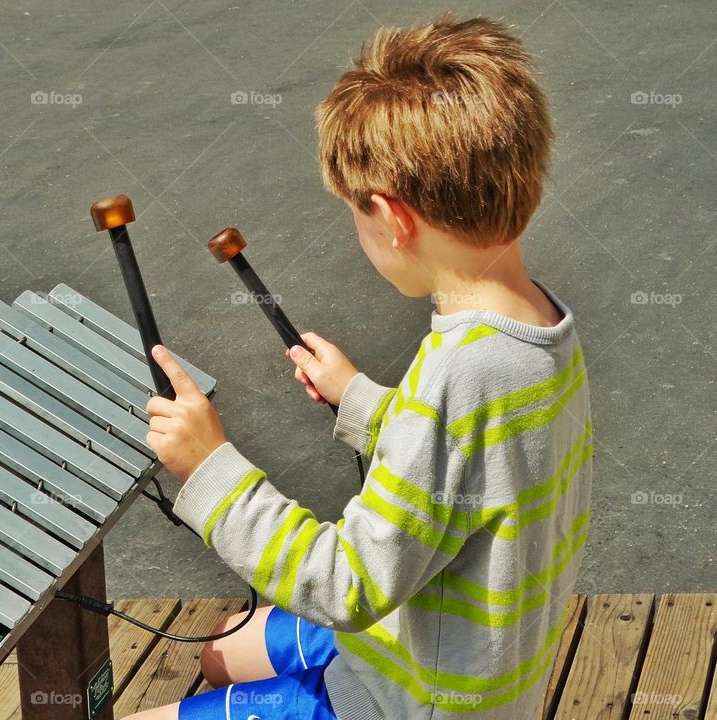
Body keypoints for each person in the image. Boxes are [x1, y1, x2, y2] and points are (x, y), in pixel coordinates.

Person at [128, 12, 593, 720]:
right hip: (460, 658)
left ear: (391, 215)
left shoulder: (456, 376)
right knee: (218, 649)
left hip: (408, 700)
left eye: (355, 212)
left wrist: (211, 465)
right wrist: (364, 402)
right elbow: (478, 460)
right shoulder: (541, 327)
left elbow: (345, 586)